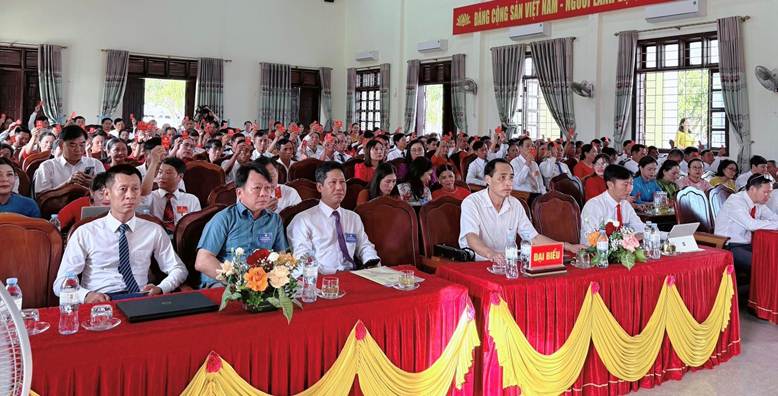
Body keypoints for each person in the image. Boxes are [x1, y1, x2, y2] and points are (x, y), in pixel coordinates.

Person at [53, 165, 188, 303]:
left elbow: (178, 269)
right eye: (123, 189)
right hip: (100, 301)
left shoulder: (153, 230)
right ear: (107, 194)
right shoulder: (85, 232)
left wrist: (161, 288)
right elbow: (61, 283)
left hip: (140, 298)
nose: (130, 195)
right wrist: (86, 296)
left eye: (135, 189)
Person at [459, 158, 583, 262]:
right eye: (502, 178)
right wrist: (491, 254)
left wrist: (567, 246)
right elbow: (471, 237)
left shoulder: (515, 204)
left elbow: (534, 238)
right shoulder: (472, 202)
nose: (508, 183)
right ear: (488, 180)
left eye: (511, 178)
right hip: (477, 262)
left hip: (506, 262)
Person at [196, 162, 288, 287]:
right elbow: (203, 261)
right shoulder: (224, 219)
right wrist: (240, 282)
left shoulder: (274, 220)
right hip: (225, 284)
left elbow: (282, 257)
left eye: (268, 188)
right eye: (257, 188)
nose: (264, 193)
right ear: (239, 193)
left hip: (261, 285)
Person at [287, 162, 380, 274]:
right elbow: (303, 259)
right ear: (320, 187)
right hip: (321, 277)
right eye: (333, 182)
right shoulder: (303, 220)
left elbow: (364, 246)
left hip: (352, 275)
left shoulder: (353, 218)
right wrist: (334, 273)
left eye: (342, 182)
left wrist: (371, 261)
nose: (339, 187)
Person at [715, 174, 778, 274]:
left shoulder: (758, 203)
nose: (769, 196)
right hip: (730, 246)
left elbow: (773, 217)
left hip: (748, 245)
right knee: (766, 265)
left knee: (773, 258)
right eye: (766, 192)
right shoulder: (736, 201)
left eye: (770, 192)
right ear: (753, 189)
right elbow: (751, 225)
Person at [580, 164, 645, 244]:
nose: (629, 189)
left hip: (622, 249)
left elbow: (640, 227)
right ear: (610, 185)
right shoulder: (594, 206)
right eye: (625, 184)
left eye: (631, 183)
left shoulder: (625, 204)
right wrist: (626, 240)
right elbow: (590, 239)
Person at [33, 125, 106, 194]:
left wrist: (94, 185)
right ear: (61, 145)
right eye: (73, 145)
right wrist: (67, 184)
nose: (78, 149)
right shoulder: (47, 167)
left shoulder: (95, 164)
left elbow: (107, 193)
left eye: (81, 145)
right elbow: (41, 197)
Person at [142, 157, 201, 232]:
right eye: (160, 172)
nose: (161, 176)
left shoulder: (191, 200)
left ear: (180, 176)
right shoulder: (150, 196)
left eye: (168, 173)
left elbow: (195, 227)